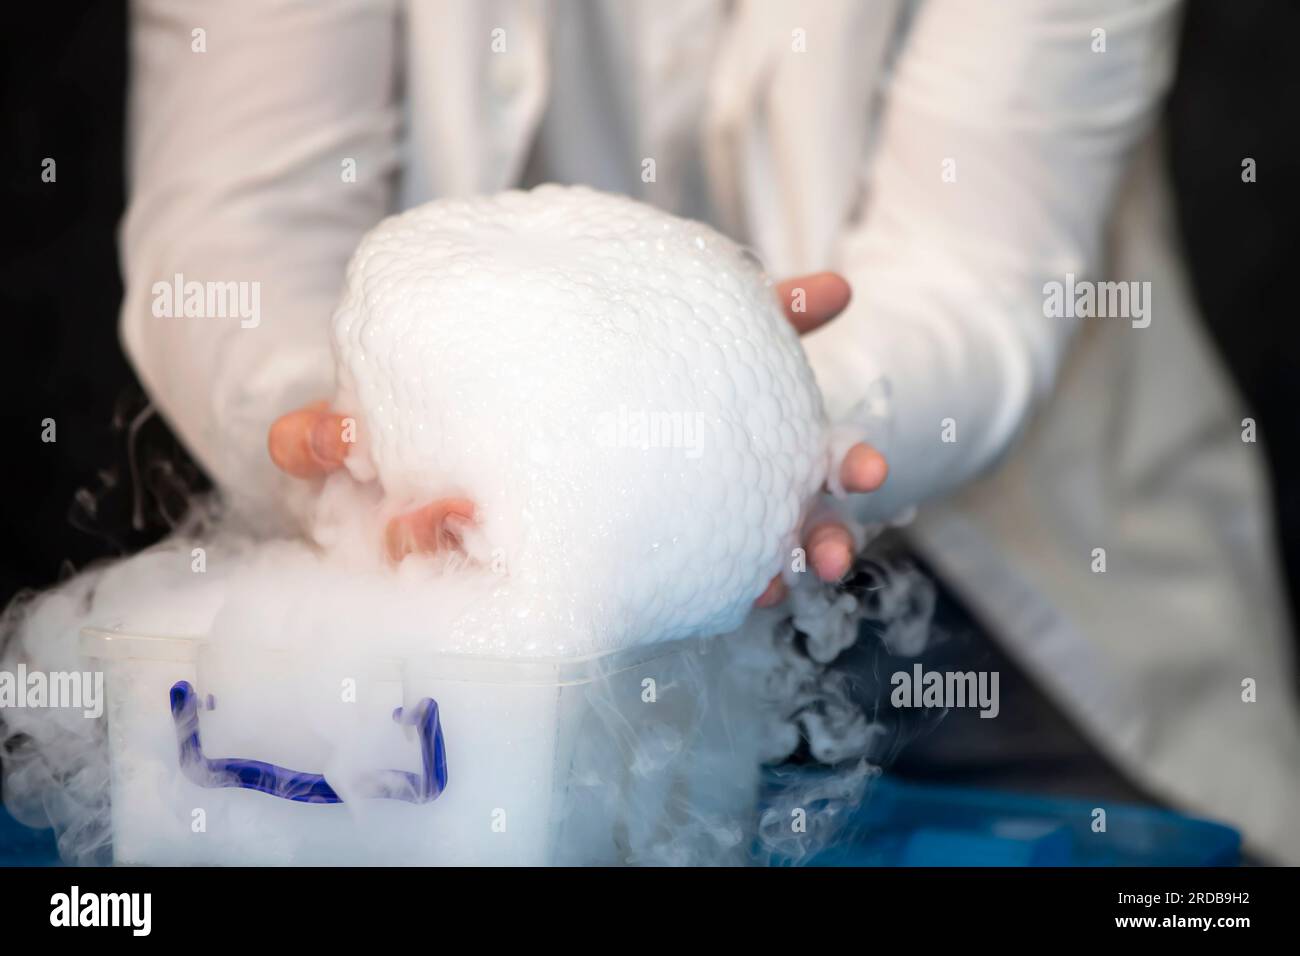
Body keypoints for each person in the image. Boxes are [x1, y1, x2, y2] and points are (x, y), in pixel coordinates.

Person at [118, 0, 1300, 861]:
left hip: (987, 589)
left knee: (1147, 866)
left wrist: (773, 432)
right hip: (451, 554)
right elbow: (238, 219)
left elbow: (977, 270)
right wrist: (346, 443)